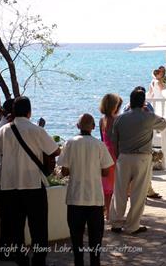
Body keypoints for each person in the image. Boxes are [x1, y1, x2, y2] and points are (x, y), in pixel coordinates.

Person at [0, 96, 60, 266]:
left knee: (16, 230)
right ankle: (38, 261)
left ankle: (21, 261)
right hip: (33, 185)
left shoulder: (4, 130)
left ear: (14, 111)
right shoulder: (36, 130)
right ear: (29, 112)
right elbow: (54, 151)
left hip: (9, 187)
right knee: (39, 229)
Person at [58, 114, 114, 266]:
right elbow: (106, 171)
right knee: (96, 239)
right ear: (94, 127)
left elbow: (64, 171)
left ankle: (79, 263)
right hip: (95, 198)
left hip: (75, 197)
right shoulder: (99, 145)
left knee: (76, 238)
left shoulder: (70, 143)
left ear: (77, 126)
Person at [110, 89, 166, 234]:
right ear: (143, 102)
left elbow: (114, 140)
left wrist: (119, 156)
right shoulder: (148, 117)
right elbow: (164, 124)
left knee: (120, 191)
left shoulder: (120, 118)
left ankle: (116, 222)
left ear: (130, 101)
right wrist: (148, 111)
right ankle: (132, 225)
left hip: (123, 157)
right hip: (142, 158)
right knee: (138, 192)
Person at [123, 86, 163, 199]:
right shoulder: (147, 107)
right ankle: (143, 192)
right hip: (143, 146)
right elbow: (159, 122)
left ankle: (144, 191)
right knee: (145, 172)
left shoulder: (126, 109)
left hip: (129, 146)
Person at [0, 98, 14, 262]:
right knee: (8, 217)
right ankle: (5, 250)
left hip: (7, 177)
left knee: (10, 217)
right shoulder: (3, 128)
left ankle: (8, 248)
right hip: (4, 179)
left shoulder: (5, 127)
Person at [99, 94, 123, 220]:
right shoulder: (116, 120)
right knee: (115, 186)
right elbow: (117, 140)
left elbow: (102, 139)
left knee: (106, 186)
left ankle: (107, 212)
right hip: (114, 154)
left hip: (104, 153)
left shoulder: (102, 120)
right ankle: (111, 213)